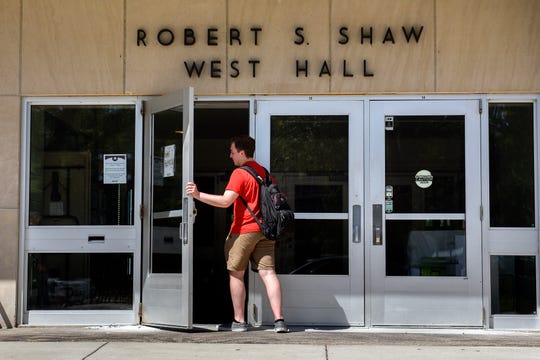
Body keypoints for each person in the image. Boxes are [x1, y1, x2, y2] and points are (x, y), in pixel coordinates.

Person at [185, 135, 288, 333]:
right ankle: (279, 321)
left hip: (243, 231)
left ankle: (239, 321)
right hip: (266, 231)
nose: (230, 155)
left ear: (242, 152)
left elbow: (226, 201)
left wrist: (197, 195)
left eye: (232, 152)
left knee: (237, 274)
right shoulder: (265, 174)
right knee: (269, 273)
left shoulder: (239, 174)